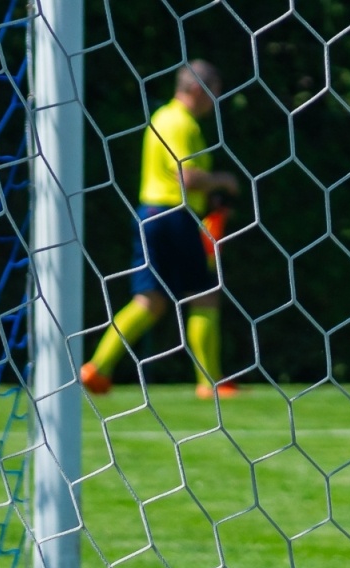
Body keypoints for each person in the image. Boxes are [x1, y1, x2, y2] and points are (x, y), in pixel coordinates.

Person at [80, 60, 240, 400]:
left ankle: (97, 368)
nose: (215, 102)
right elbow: (186, 176)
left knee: (150, 300)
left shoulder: (162, 118)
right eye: (214, 93)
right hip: (173, 214)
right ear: (197, 89)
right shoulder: (180, 123)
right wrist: (223, 180)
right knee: (204, 296)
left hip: (149, 214)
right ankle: (209, 382)